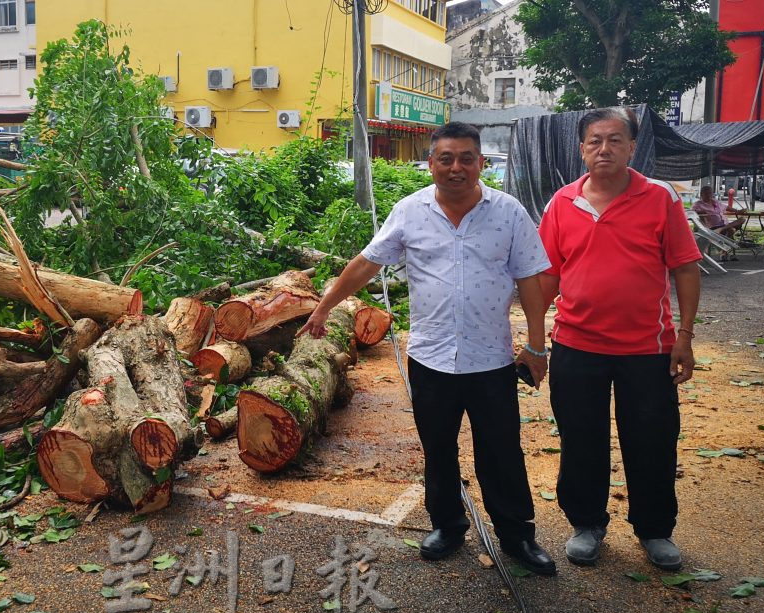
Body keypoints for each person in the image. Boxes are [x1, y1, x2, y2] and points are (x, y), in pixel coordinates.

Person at [298, 123, 557, 576]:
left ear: (481, 163)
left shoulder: (509, 213)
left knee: (500, 450)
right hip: (430, 358)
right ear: (431, 162)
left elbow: (530, 281)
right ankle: (447, 525)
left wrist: (536, 346)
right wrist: (323, 308)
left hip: (491, 359)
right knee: (437, 448)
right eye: (446, 158)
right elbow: (366, 263)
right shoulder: (410, 210)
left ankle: (517, 536)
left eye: (466, 158)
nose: (456, 167)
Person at [536, 107, 701, 572]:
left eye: (614, 140)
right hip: (575, 346)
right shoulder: (562, 203)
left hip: (647, 350)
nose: (603, 148)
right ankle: (587, 524)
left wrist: (684, 338)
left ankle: (654, 530)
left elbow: (685, 267)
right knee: (581, 438)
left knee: (652, 438)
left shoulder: (659, 199)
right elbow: (547, 276)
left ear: (631, 147)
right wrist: (532, 339)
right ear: (582, 149)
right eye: (594, 141)